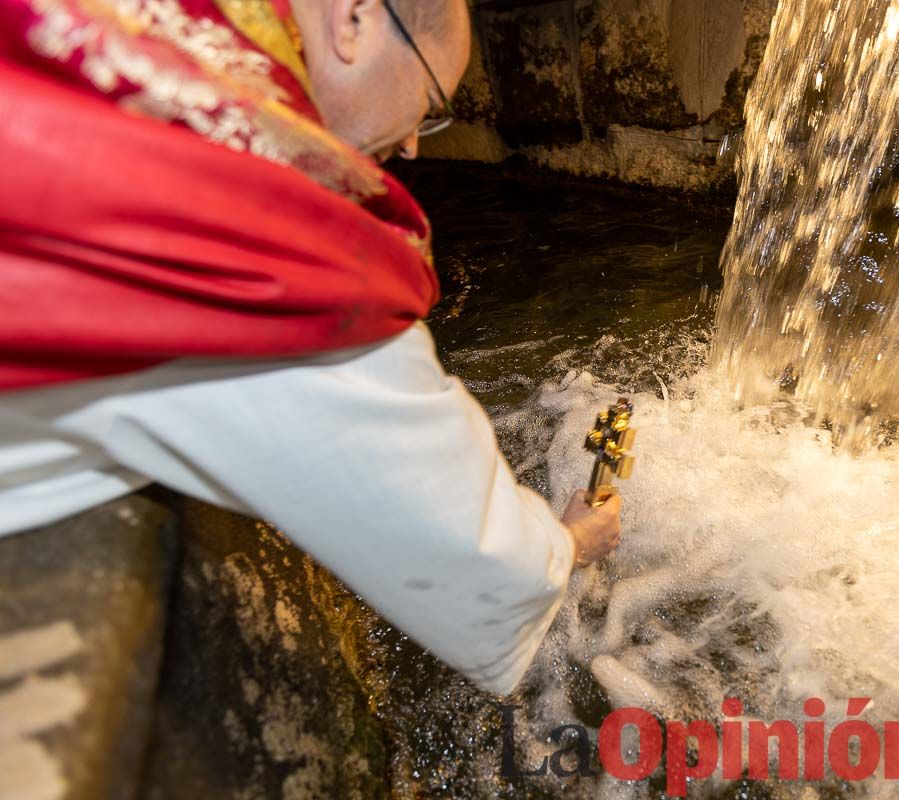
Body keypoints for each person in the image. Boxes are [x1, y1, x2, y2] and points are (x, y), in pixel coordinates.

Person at [0, 0, 621, 693]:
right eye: (431, 99)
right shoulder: (258, 214)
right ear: (353, 20)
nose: (415, 142)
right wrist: (566, 546)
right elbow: (460, 542)